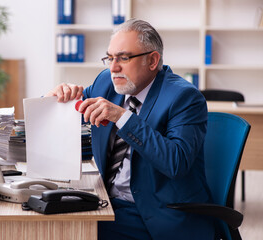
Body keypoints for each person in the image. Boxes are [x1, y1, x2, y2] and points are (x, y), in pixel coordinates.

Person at [46, 19, 215, 239]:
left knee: (69, 232)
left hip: (156, 216)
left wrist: (122, 117)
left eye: (123, 58)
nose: (113, 67)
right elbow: (66, 117)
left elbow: (176, 162)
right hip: (107, 201)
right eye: (109, 58)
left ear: (152, 60)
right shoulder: (107, 82)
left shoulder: (184, 97)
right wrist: (54, 99)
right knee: (48, 220)